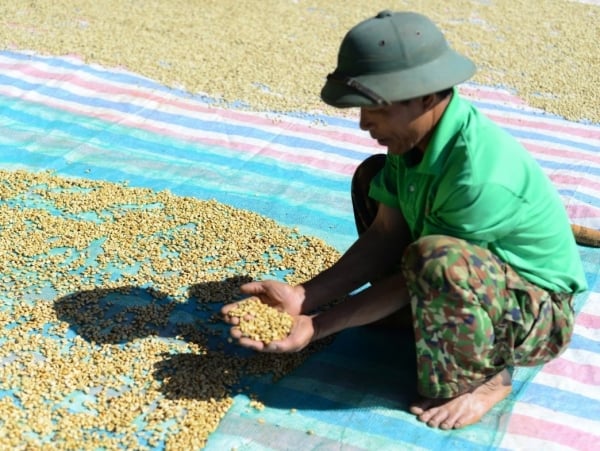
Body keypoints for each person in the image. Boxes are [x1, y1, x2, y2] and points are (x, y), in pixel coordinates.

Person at [221, 10, 587, 430]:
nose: (363, 123)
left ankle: (490, 378)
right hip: (456, 271)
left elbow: (420, 267)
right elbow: (385, 235)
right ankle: (412, 316)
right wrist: (302, 298)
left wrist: (318, 326)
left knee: (435, 260)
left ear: (427, 97)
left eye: (375, 107)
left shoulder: (480, 175)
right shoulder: (412, 145)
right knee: (371, 177)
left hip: (535, 314)